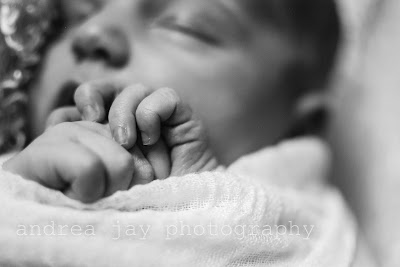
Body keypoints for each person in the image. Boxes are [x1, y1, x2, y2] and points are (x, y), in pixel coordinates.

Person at [2, 0, 341, 203]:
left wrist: (199, 206)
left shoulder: (304, 231)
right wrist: (16, 194)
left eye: (183, 25)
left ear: (301, 126)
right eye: (79, 14)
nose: (92, 32)